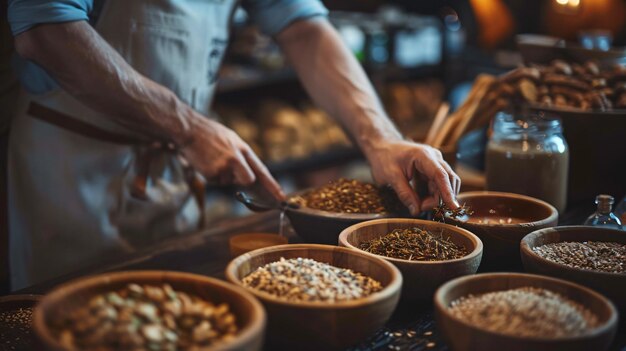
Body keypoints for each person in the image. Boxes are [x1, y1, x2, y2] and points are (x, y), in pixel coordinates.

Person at [6, 0, 460, 290]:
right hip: (74, 176)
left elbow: (304, 29)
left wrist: (380, 138)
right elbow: (48, 32)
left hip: (174, 169)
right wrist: (189, 128)